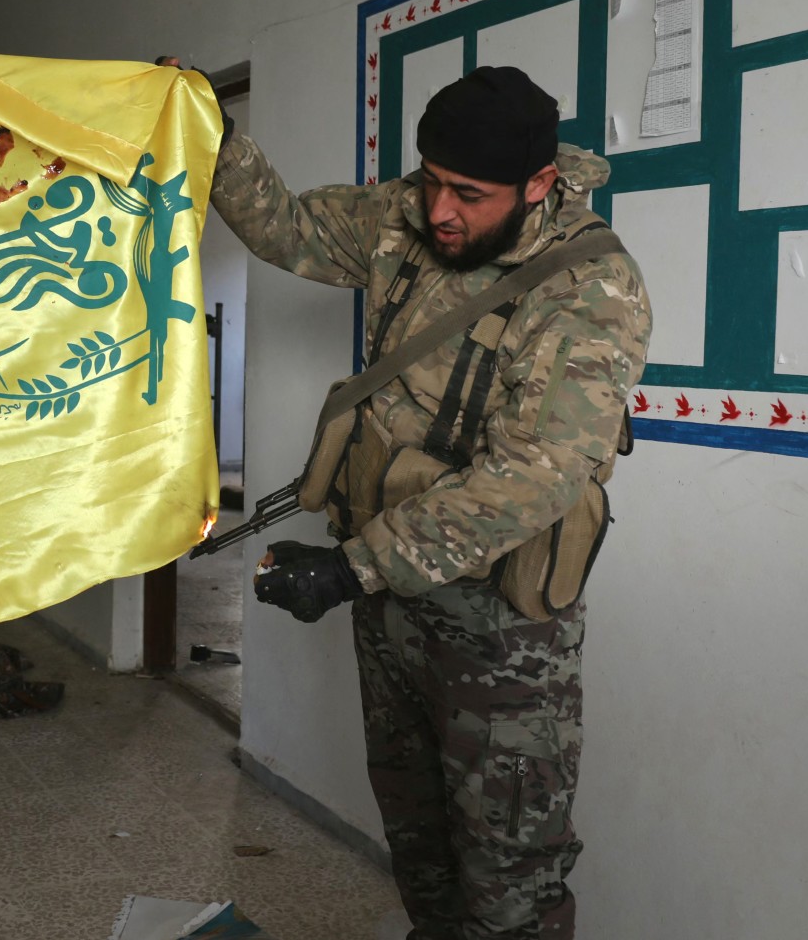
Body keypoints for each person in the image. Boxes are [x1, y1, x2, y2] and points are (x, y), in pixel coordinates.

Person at [208, 66, 651, 939]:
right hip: (390, 597)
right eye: (433, 180)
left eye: (469, 195)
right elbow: (291, 229)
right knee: (416, 835)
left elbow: (535, 476)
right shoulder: (409, 212)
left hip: (498, 630)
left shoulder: (590, 291)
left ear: (539, 184)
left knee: (508, 876)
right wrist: (214, 141)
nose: (440, 211)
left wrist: (351, 569)